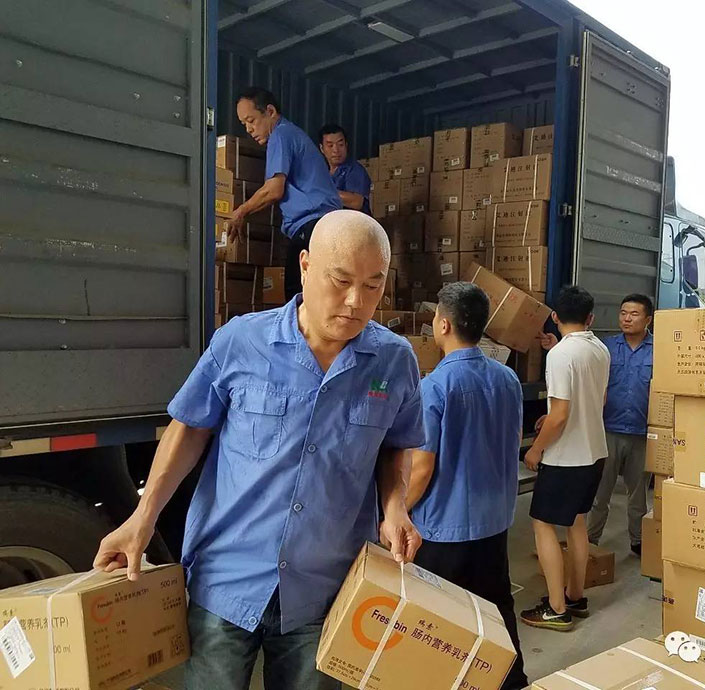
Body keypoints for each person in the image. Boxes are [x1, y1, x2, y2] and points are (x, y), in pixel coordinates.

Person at [94, 210, 424, 690]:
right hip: (227, 580)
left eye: (373, 285)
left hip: (326, 589)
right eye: (341, 281)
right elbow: (189, 429)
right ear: (306, 266)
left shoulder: (395, 361)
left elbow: (396, 445)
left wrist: (395, 508)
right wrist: (142, 518)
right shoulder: (242, 341)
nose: (356, 301)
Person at [406, 282, 528, 690]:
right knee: (496, 608)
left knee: (440, 619)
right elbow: (511, 440)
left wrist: (398, 511)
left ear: (443, 324)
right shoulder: (507, 379)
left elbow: (422, 467)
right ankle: (511, 681)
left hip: (445, 527)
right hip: (494, 521)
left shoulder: (434, 386)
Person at [520, 286, 609, 631]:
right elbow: (597, 401)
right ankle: (575, 596)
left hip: (566, 458)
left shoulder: (559, 355)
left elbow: (559, 415)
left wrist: (536, 448)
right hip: (595, 452)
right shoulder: (600, 349)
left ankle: (556, 608)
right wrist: (554, 416)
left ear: (555, 316)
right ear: (591, 318)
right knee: (577, 522)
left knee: (542, 524)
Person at [230, 87, 342, 301]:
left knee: (298, 299)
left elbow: (274, 189)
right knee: (321, 297)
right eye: (244, 124)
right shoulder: (292, 134)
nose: (249, 129)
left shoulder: (280, 135)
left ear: (270, 111)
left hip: (312, 226)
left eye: (251, 120)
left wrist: (241, 212)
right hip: (326, 226)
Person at [587, 294, 654, 554]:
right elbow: (583, 364)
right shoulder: (606, 347)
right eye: (623, 313)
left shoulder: (660, 350)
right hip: (608, 430)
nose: (627, 318)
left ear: (648, 319)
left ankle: (638, 542)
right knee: (599, 492)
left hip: (642, 433)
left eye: (634, 314)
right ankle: (590, 541)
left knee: (638, 495)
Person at [318, 123, 372, 215]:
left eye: (340, 144)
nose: (336, 150)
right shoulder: (323, 172)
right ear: (322, 148)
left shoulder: (354, 170)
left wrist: (324, 192)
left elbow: (357, 202)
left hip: (355, 222)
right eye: (330, 146)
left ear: (346, 145)